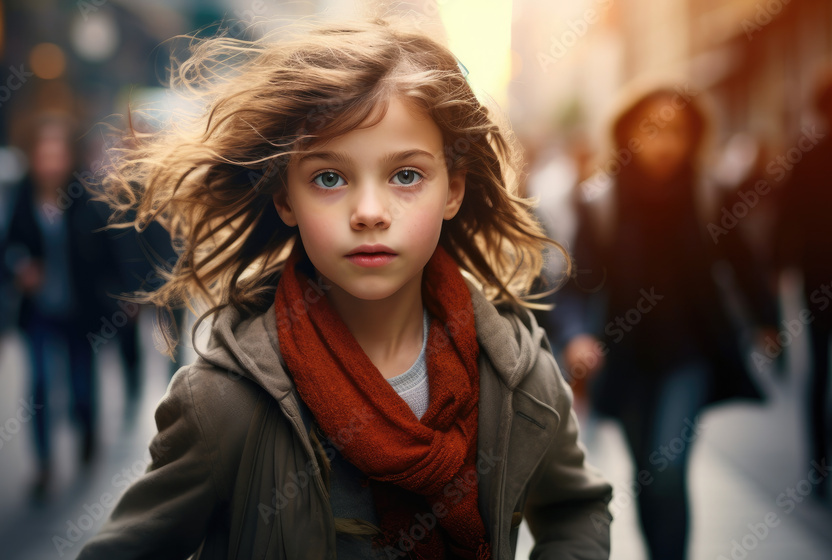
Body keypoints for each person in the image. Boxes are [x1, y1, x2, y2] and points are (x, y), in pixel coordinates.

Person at [75, 17, 612, 560]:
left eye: (406, 175)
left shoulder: (517, 371)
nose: (370, 213)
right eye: (329, 178)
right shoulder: (223, 403)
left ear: (454, 190)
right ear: (286, 199)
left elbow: (576, 508)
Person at [551, 88, 777, 560]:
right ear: (628, 133)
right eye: (652, 129)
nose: (665, 142)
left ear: (694, 137)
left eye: (676, 130)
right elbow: (575, 282)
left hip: (689, 354)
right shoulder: (601, 200)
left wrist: (766, 320)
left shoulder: (709, 192)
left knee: (669, 467)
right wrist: (576, 338)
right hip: (626, 358)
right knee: (648, 476)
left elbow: (743, 262)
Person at [5, 113, 122, 501]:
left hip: (80, 312)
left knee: (81, 386)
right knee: (39, 384)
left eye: (58, 154)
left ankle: (87, 433)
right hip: (38, 312)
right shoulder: (21, 197)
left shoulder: (85, 198)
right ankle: (43, 465)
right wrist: (19, 265)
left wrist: (120, 293)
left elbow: (108, 250)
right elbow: (4, 246)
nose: (50, 163)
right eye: (44, 154)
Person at [772, 72, 832, 497]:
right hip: (823, 280)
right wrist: (778, 268)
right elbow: (787, 217)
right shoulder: (807, 158)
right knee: (821, 370)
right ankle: (820, 462)